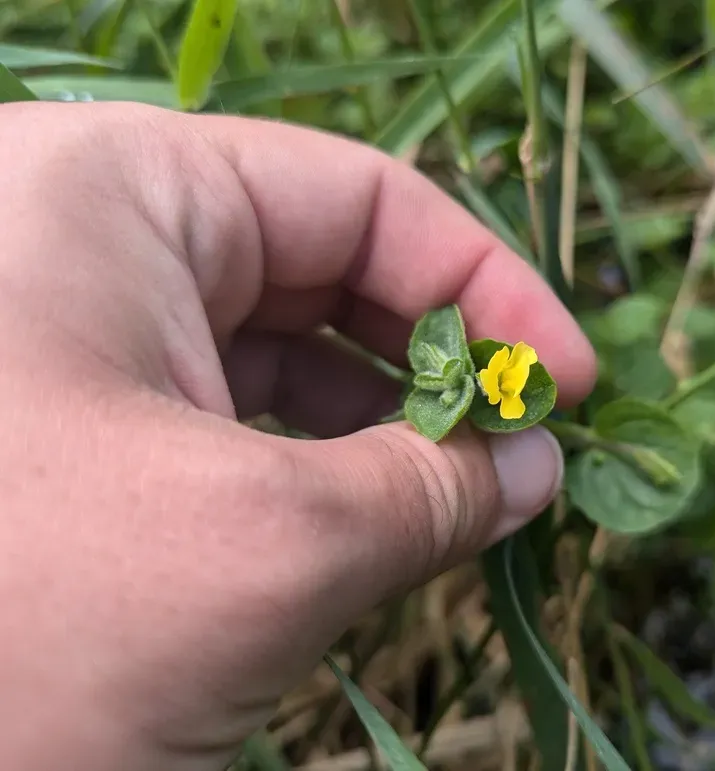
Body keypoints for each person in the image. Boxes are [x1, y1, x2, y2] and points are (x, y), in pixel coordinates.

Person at [0, 101, 597, 770]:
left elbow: (525, 390)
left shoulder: (505, 382)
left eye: (506, 382)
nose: (510, 385)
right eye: (505, 381)